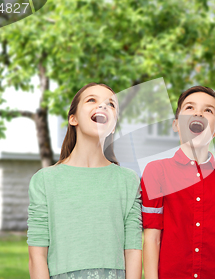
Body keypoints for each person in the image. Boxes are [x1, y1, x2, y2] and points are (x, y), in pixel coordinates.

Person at [27, 83, 142, 279]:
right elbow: (37, 256)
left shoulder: (128, 181)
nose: (103, 106)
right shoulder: (44, 180)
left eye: (111, 104)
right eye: (92, 100)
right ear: (73, 119)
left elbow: (132, 251)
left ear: (114, 125)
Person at [141, 86, 215, 279]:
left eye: (208, 110)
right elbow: (152, 237)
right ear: (176, 125)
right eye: (189, 108)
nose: (198, 113)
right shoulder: (156, 171)